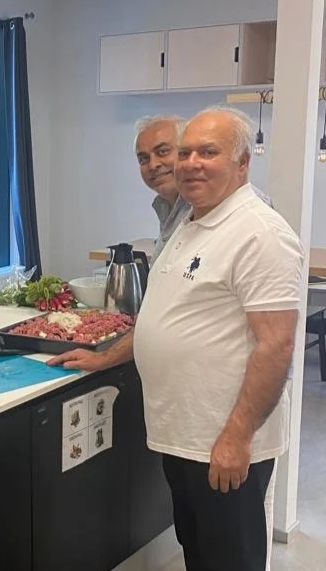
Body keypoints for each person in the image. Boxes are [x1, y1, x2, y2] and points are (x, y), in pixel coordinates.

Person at [52, 107, 303, 571]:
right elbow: (163, 316)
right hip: (184, 435)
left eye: (208, 152)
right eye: (185, 151)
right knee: (199, 549)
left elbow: (277, 346)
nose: (189, 163)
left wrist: (236, 437)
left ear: (243, 162)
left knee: (231, 558)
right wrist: (107, 356)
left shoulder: (259, 232)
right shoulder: (191, 223)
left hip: (222, 440)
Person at [134, 114, 272, 261]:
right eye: (143, 159)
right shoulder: (166, 205)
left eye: (163, 152)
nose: (153, 165)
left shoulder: (249, 213)